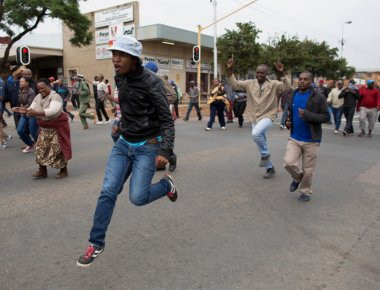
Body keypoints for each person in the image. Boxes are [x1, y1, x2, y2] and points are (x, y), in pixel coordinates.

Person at [77, 35, 178, 268]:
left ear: (134, 58)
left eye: (121, 55)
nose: (115, 59)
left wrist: (165, 150)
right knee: (108, 191)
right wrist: (120, 123)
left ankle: (166, 186)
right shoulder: (119, 78)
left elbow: (166, 120)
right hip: (124, 144)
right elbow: (128, 104)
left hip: (148, 147)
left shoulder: (152, 82)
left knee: (138, 198)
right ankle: (96, 243)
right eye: (114, 55)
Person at [226, 56, 290, 178]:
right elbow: (234, 84)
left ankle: (265, 155)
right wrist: (230, 69)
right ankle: (270, 167)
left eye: (262, 73)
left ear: (267, 74)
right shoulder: (250, 83)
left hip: (268, 115)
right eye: (257, 72)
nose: (259, 74)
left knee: (256, 134)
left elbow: (287, 87)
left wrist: (281, 72)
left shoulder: (274, 84)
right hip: (254, 116)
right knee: (261, 140)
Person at [284, 71, 330, 202]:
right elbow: (291, 112)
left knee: (308, 170)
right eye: (300, 79)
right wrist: (288, 121)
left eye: (305, 79)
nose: (302, 81)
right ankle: (297, 177)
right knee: (288, 163)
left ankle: (305, 191)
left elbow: (326, 117)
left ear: (311, 81)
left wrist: (307, 115)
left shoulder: (319, 97)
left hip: (311, 139)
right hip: (295, 137)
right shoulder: (293, 94)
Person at [17, 78, 71, 179]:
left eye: (43, 88)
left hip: (57, 127)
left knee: (58, 149)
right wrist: (24, 110)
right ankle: (42, 171)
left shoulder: (56, 97)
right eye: (39, 89)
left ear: (49, 86)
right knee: (40, 148)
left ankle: (63, 170)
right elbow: (32, 108)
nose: (41, 90)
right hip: (44, 127)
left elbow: (53, 111)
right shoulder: (38, 97)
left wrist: (36, 113)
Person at [144, 62, 177, 172]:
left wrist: (159, 101)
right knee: (152, 139)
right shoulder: (143, 80)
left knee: (162, 139)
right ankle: (159, 162)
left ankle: (172, 158)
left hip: (161, 115)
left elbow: (173, 95)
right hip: (149, 116)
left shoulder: (160, 80)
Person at [13, 77, 38, 153]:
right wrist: (18, 107)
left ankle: (42, 145)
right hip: (24, 113)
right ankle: (30, 144)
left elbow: (30, 105)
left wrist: (20, 108)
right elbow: (21, 103)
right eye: (20, 81)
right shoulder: (20, 90)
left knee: (33, 131)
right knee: (20, 130)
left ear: (27, 83)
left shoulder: (31, 92)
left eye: (22, 81)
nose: (20, 83)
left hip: (31, 113)